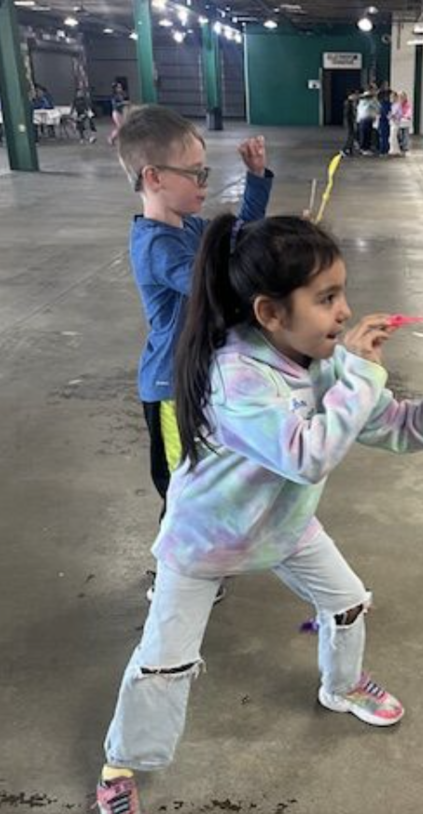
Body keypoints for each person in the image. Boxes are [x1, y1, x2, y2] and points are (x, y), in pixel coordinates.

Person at [94, 213, 423, 814]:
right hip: (206, 543)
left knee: (347, 601)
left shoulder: (325, 365)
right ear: (270, 313)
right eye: (326, 298)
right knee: (163, 664)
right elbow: (306, 454)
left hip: (284, 528)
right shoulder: (237, 375)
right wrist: (360, 374)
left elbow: (404, 428)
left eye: (342, 293)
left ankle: (341, 686)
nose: (345, 312)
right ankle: (120, 770)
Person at [115, 105, 273, 577]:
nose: (204, 183)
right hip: (171, 389)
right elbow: (213, 282)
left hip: (200, 378)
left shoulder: (190, 227)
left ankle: (205, 557)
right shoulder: (156, 245)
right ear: (154, 177)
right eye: (195, 173)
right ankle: (174, 575)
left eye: (205, 172)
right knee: (183, 484)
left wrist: (257, 180)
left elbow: (238, 238)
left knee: (209, 476)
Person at [356, 88, 379, 155]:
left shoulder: (362, 101)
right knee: (366, 135)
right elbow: (377, 108)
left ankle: (364, 148)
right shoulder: (369, 101)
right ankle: (365, 149)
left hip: (364, 119)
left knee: (365, 134)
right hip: (366, 119)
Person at [341, 89, 359, 156]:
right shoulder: (348, 103)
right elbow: (348, 114)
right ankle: (345, 149)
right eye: (355, 95)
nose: (356, 96)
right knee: (351, 136)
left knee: (352, 135)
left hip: (350, 121)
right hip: (349, 122)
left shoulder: (351, 102)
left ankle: (350, 150)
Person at [377, 86, 392, 157]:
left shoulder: (383, 103)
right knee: (384, 137)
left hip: (384, 122)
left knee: (384, 137)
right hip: (384, 122)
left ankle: (384, 150)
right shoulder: (385, 104)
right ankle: (384, 151)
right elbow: (386, 114)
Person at [397, 91, 413, 156]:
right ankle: (398, 144)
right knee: (397, 131)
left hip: (404, 121)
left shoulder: (408, 105)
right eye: (400, 97)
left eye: (402, 97)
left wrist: (404, 116)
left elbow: (409, 113)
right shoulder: (396, 104)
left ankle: (405, 146)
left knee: (405, 131)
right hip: (397, 121)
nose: (401, 98)